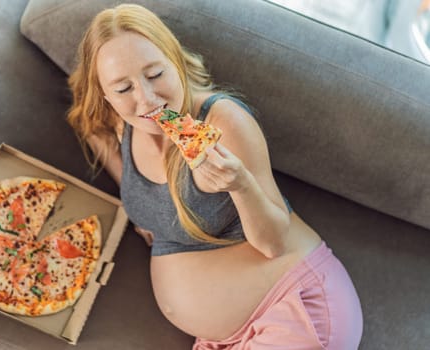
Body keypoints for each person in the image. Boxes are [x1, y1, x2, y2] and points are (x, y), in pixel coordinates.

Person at [67, 4, 363, 349]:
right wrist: (142, 209)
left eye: (154, 74)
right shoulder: (125, 125)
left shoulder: (223, 122)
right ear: (107, 97)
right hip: (217, 339)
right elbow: (92, 130)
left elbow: (274, 242)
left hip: (291, 312)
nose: (146, 98)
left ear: (175, 61)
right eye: (123, 88)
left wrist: (239, 185)